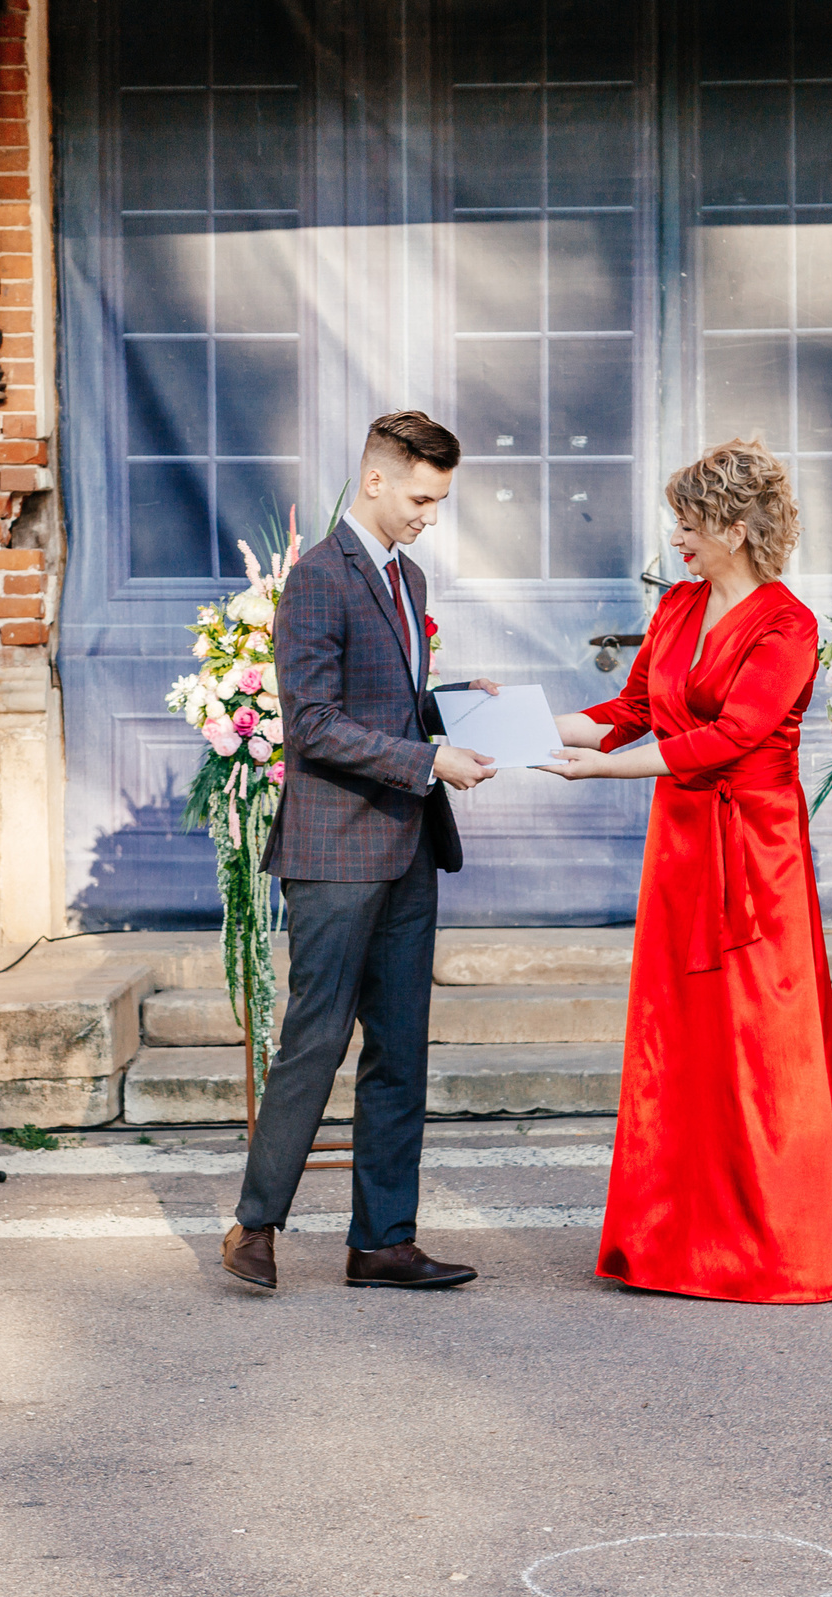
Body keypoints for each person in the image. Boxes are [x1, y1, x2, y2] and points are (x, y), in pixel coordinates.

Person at [546, 440, 832, 1304]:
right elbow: (627, 712)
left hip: (755, 855)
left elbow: (734, 736)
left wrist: (609, 771)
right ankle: (672, 1245)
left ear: (736, 527)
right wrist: (525, 727)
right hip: (681, 844)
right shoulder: (678, 608)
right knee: (677, 1044)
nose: (678, 537)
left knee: (765, 1049)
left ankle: (778, 1247)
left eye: (690, 524)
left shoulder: (789, 624)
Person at [219, 410, 498, 1292]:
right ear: (375, 479)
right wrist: (429, 758)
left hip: (408, 847)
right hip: (334, 849)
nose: (429, 515)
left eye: (441, 500)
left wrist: (455, 702)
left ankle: (383, 1240)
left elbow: (385, 699)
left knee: (401, 1049)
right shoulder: (316, 579)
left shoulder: (406, 578)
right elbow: (312, 723)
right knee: (315, 1040)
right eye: (421, 496)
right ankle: (254, 1226)